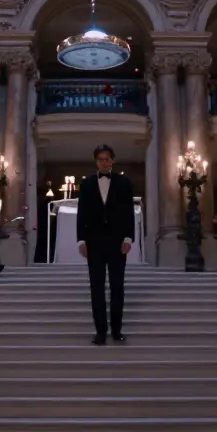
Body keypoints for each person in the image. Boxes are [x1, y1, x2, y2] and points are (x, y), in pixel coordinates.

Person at [77, 144, 135, 345]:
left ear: (112, 160)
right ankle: (100, 332)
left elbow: (129, 213)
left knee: (117, 287)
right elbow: (81, 213)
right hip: (94, 243)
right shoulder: (86, 184)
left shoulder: (124, 183)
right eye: (101, 159)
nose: (105, 162)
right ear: (96, 161)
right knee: (97, 287)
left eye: (108, 159)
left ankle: (117, 331)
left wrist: (128, 238)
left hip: (118, 243)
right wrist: (81, 240)